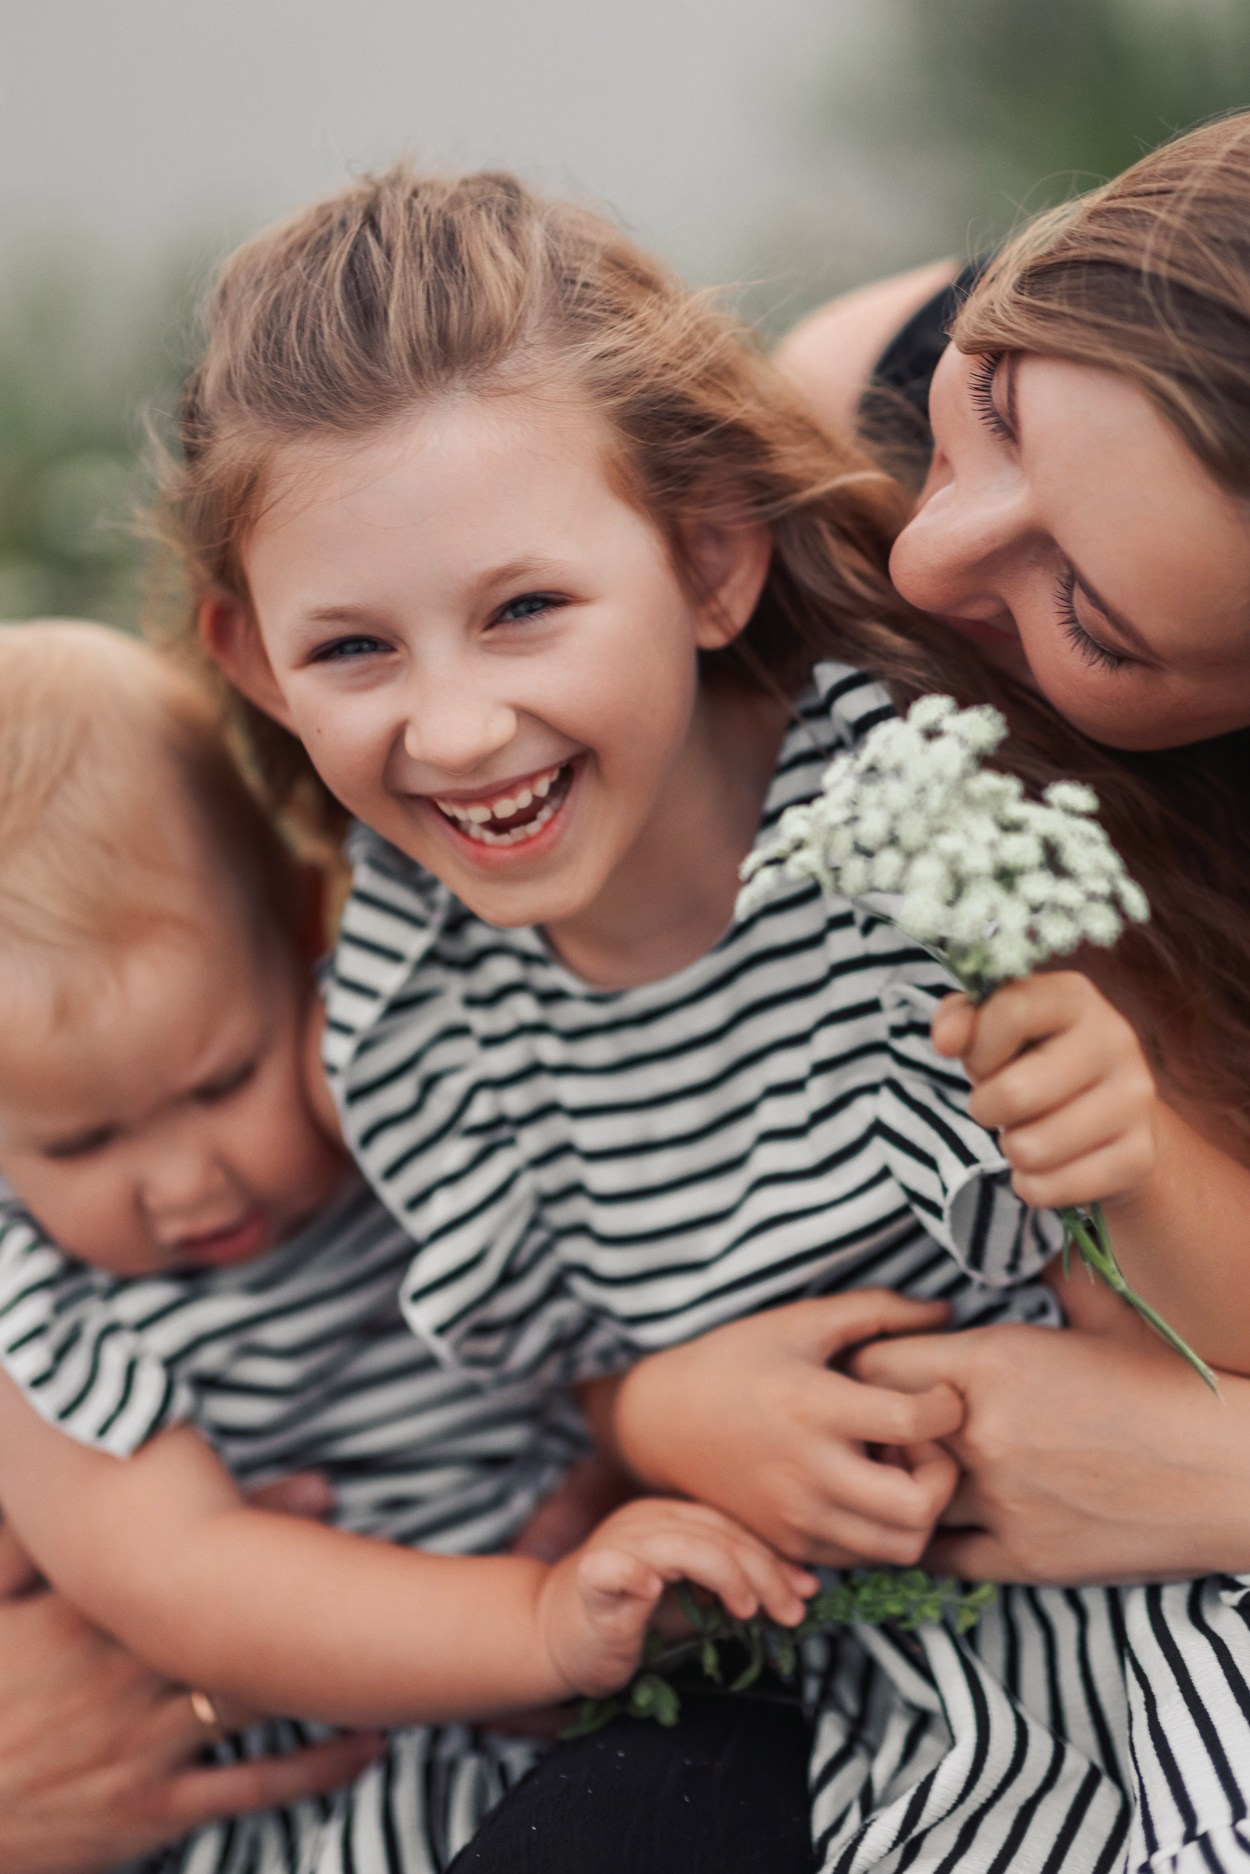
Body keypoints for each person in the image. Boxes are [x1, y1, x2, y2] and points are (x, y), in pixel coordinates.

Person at [162, 162, 1250, 1872]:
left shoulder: (919, 819)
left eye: (525, 609)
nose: (454, 727)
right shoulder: (404, 1014)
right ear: (251, 662)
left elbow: (1207, 1338)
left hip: (1152, 1635)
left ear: (713, 562)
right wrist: (659, 1410)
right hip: (861, 1692)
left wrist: (1128, 1142)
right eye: (355, 648)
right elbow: (543, 1390)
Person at [0, 619, 815, 1874]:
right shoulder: (40, 1307)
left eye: (225, 1079)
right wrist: (534, 1622)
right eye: (81, 1139)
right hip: (327, 1801)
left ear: (301, 928)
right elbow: (182, 1576)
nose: (182, 1179)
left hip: (595, 1705)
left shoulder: (411, 1083)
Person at [772, 106, 1250, 1586]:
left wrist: (1211, 1475)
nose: (923, 556)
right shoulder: (863, 383)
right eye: (989, 405)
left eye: (1093, 620)